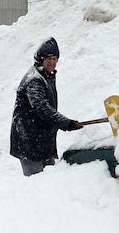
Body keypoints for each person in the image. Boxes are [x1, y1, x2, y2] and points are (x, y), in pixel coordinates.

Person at [10, 37, 83, 176]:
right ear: (40, 59)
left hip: (42, 141)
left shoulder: (46, 76)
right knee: (36, 185)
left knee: (49, 182)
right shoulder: (34, 79)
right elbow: (42, 108)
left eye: (55, 58)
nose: (52, 62)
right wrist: (66, 123)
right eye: (48, 58)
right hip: (30, 141)